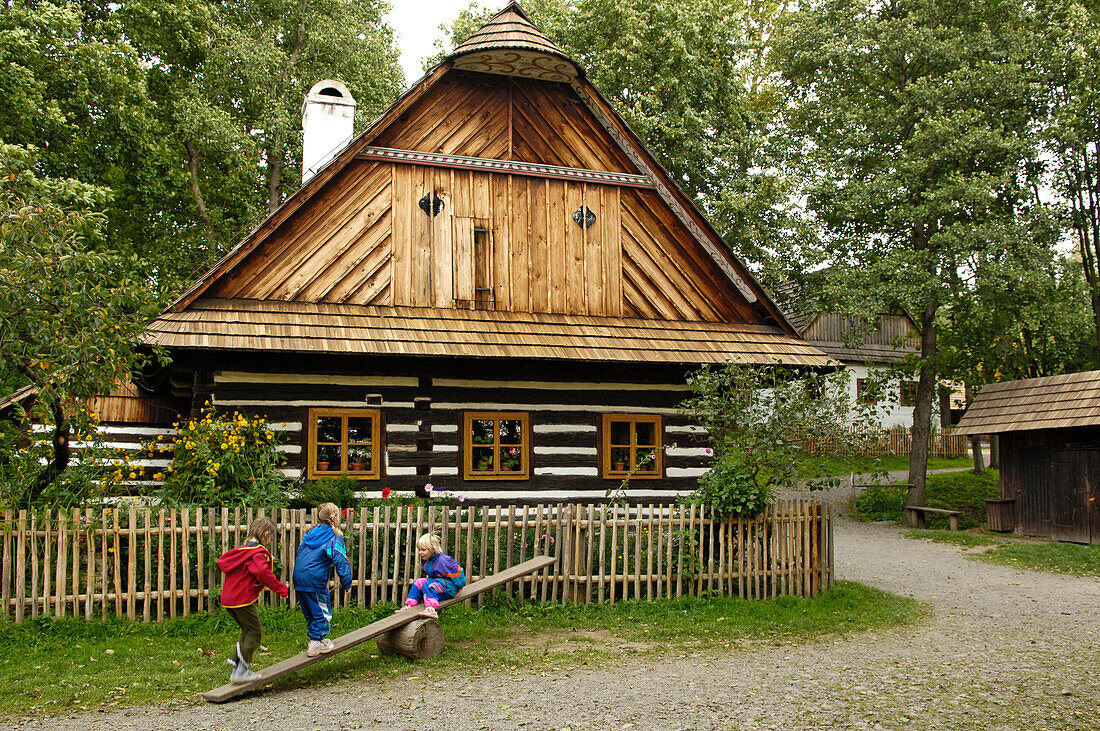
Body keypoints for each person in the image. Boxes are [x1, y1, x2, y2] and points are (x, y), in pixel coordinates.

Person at [217, 516, 289, 683]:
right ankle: (241, 670)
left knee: (247, 630)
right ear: (264, 535)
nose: (270, 541)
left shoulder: (241, 551)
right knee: (255, 632)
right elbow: (263, 573)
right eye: (270, 538)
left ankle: (238, 667)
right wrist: (281, 589)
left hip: (229, 599)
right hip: (241, 600)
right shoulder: (256, 554)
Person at [292, 502, 353, 656]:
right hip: (315, 580)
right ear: (335, 518)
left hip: (299, 578)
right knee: (323, 612)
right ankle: (315, 643)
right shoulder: (334, 537)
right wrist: (347, 582)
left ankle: (317, 639)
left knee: (311, 611)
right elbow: (341, 561)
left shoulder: (310, 533)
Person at [402, 533, 465, 619]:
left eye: (423, 550)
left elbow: (459, 573)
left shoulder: (444, 561)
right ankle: (410, 605)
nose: (420, 552)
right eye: (419, 549)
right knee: (418, 582)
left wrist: (459, 588)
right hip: (437, 585)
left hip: (449, 589)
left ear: (432, 549)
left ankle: (431, 610)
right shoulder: (430, 561)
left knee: (428, 585)